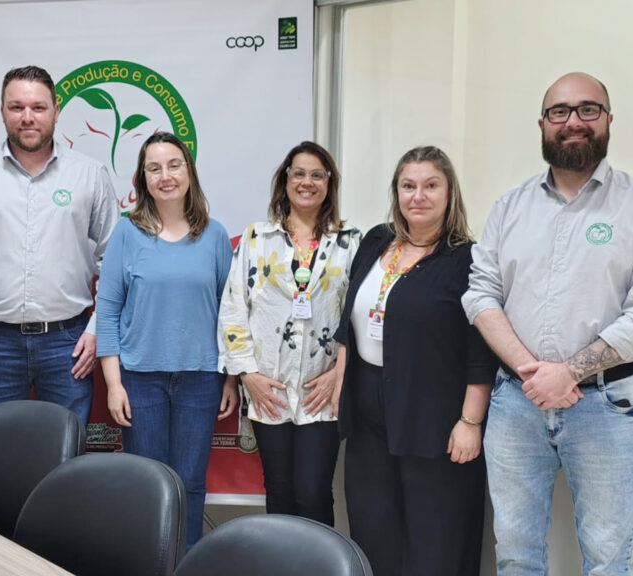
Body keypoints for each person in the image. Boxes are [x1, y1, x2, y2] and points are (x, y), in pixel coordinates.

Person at [462, 72, 633, 576]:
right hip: (515, 405)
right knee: (516, 555)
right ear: (543, 124)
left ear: (608, 120)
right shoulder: (510, 206)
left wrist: (568, 372)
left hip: (607, 408)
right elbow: (480, 294)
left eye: (589, 110)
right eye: (560, 112)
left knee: (608, 560)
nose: (574, 122)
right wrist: (531, 370)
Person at [335, 146, 495, 576]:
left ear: (449, 193)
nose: (418, 196)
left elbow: (481, 348)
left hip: (436, 422)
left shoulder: (467, 259)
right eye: (409, 186)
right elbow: (349, 321)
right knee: (373, 532)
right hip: (369, 420)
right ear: (396, 192)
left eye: (430, 185)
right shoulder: (376, 241)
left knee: (434, 542)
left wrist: (471, 422)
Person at [0, 65, 119, 423]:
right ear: (2, 111)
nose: (28, 117)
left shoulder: (90, 174)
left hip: (69, 343)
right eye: (16, 107)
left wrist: (96, 329)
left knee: (65, 458)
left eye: (38, 108)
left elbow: (115, 263)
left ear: (56, 111)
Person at [96, 132, 237, 547]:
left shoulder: (214, 235)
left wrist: (230, 379)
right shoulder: (126, 233)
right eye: (154, 168)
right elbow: (107, 310)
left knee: (190, 482)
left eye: (174, 165)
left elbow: (231, 314)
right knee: (149, 484)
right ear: (143, 178)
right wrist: (114, 383)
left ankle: (186, 561)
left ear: (189, 171)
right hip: (141, 379)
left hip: (200, 379)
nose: (166, 176)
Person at [218, 141, 359, 526]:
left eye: (317, 174)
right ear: (285, 180)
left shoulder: (350, 243)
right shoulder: (256, 238)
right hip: (269, 389)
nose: (307, 182)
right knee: (279, 488)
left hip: (321, 390)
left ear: (329, 183)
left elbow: (358, 317)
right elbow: (233, 308)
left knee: (313, 491)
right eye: (299, 173)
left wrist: (340, 375)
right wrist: (247, 375)